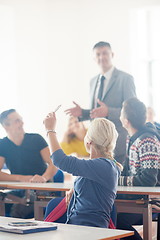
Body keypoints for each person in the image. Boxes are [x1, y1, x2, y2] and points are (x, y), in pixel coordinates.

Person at [44, 112, 122, 228]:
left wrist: (50, 130)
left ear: (89, 141)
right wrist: (75, 189)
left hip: (89, 229)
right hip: (78, 227)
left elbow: (60, 160)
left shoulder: (103, 165)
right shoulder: (103, 165)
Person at [65, 41, 136, 164]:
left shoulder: (126, 79)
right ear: (94, 58)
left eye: (105, 53)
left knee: (118, 181)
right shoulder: (93, 81)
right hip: (96, 145)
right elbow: (98, 112)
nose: (101, 57)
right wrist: (83, 113)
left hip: (117, 143)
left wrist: (109, 111)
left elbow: (132, 111)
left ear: (112, 54)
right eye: (98, 54)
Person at [0, 109, 58, 218]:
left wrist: (43, 178)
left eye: (21, 120)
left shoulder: (36, 139)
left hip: (43, 190)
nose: (22, 123)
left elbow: (53, 163)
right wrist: (21, 178)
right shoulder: (2, 144)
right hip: (21, 190)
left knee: (19, 209)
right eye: (17, 121)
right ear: (6, 126)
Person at [117, 98, 160, 240]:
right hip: (137, 198)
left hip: (150, 202)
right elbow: (126, 171)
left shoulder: (147, 140)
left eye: (121, 114)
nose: (119, 117)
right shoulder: (133, 138)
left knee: (115, 218)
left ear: (126, 121)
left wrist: (118, 180)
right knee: (107, 212)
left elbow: (148, 180)